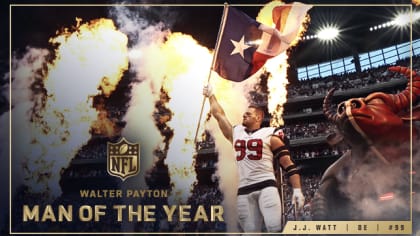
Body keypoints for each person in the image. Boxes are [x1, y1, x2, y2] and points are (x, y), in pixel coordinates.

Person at [203, 84, 305, 233]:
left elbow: (288, 165)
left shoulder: (270, 134)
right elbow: (219, 115)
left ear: (258, 117)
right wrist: (211, 96)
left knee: (274, 228)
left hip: (266, 186)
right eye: (244, 114)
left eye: (248, 114)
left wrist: (297, 190)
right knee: (250, 232)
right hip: (243, 189)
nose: (244, 115)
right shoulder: (236, 132)